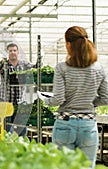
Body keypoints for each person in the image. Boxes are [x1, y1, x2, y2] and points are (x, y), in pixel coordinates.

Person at [38, 26, 108, 169]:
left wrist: (44, 99)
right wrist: (88, 103)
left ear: (69, 44)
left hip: (65, 124)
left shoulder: (62, 68)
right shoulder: (98, 69)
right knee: (87, 166)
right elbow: (106, 98)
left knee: (63, 166)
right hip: (88, 126)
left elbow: (58, 99)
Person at [0, 43, 37, 136]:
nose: (12, 53)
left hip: (20, 101)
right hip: (6, 102)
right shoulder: (4, 64)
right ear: (7, 53)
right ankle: (6, 144)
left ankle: (21, 142)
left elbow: (35, 67)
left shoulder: (23, 64)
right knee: (7, 127)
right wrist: (3, 60)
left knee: (21, 127)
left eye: (14, 50)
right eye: (10, 51)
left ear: (17, 52)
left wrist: (39, 60)